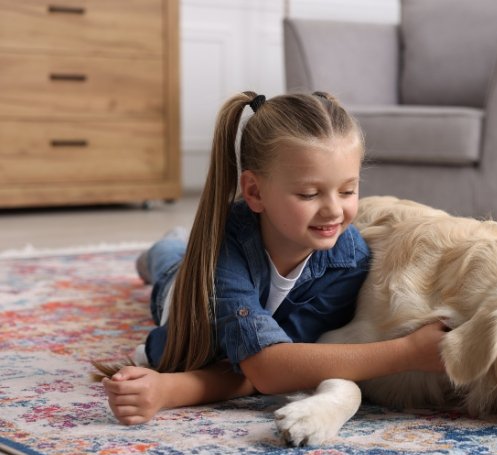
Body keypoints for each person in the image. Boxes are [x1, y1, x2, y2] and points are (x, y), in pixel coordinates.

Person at [99, 91, 447, 425]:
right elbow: (266, 368)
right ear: (254, 191)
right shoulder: (225, 240)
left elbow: (279, 367)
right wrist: (408, 353)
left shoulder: (349, 259)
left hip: (248, 325)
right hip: (186, 291)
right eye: (309, 193)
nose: (333, 210)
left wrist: (170, 390)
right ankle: (162, 250)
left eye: (347, 190)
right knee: (169, 263)